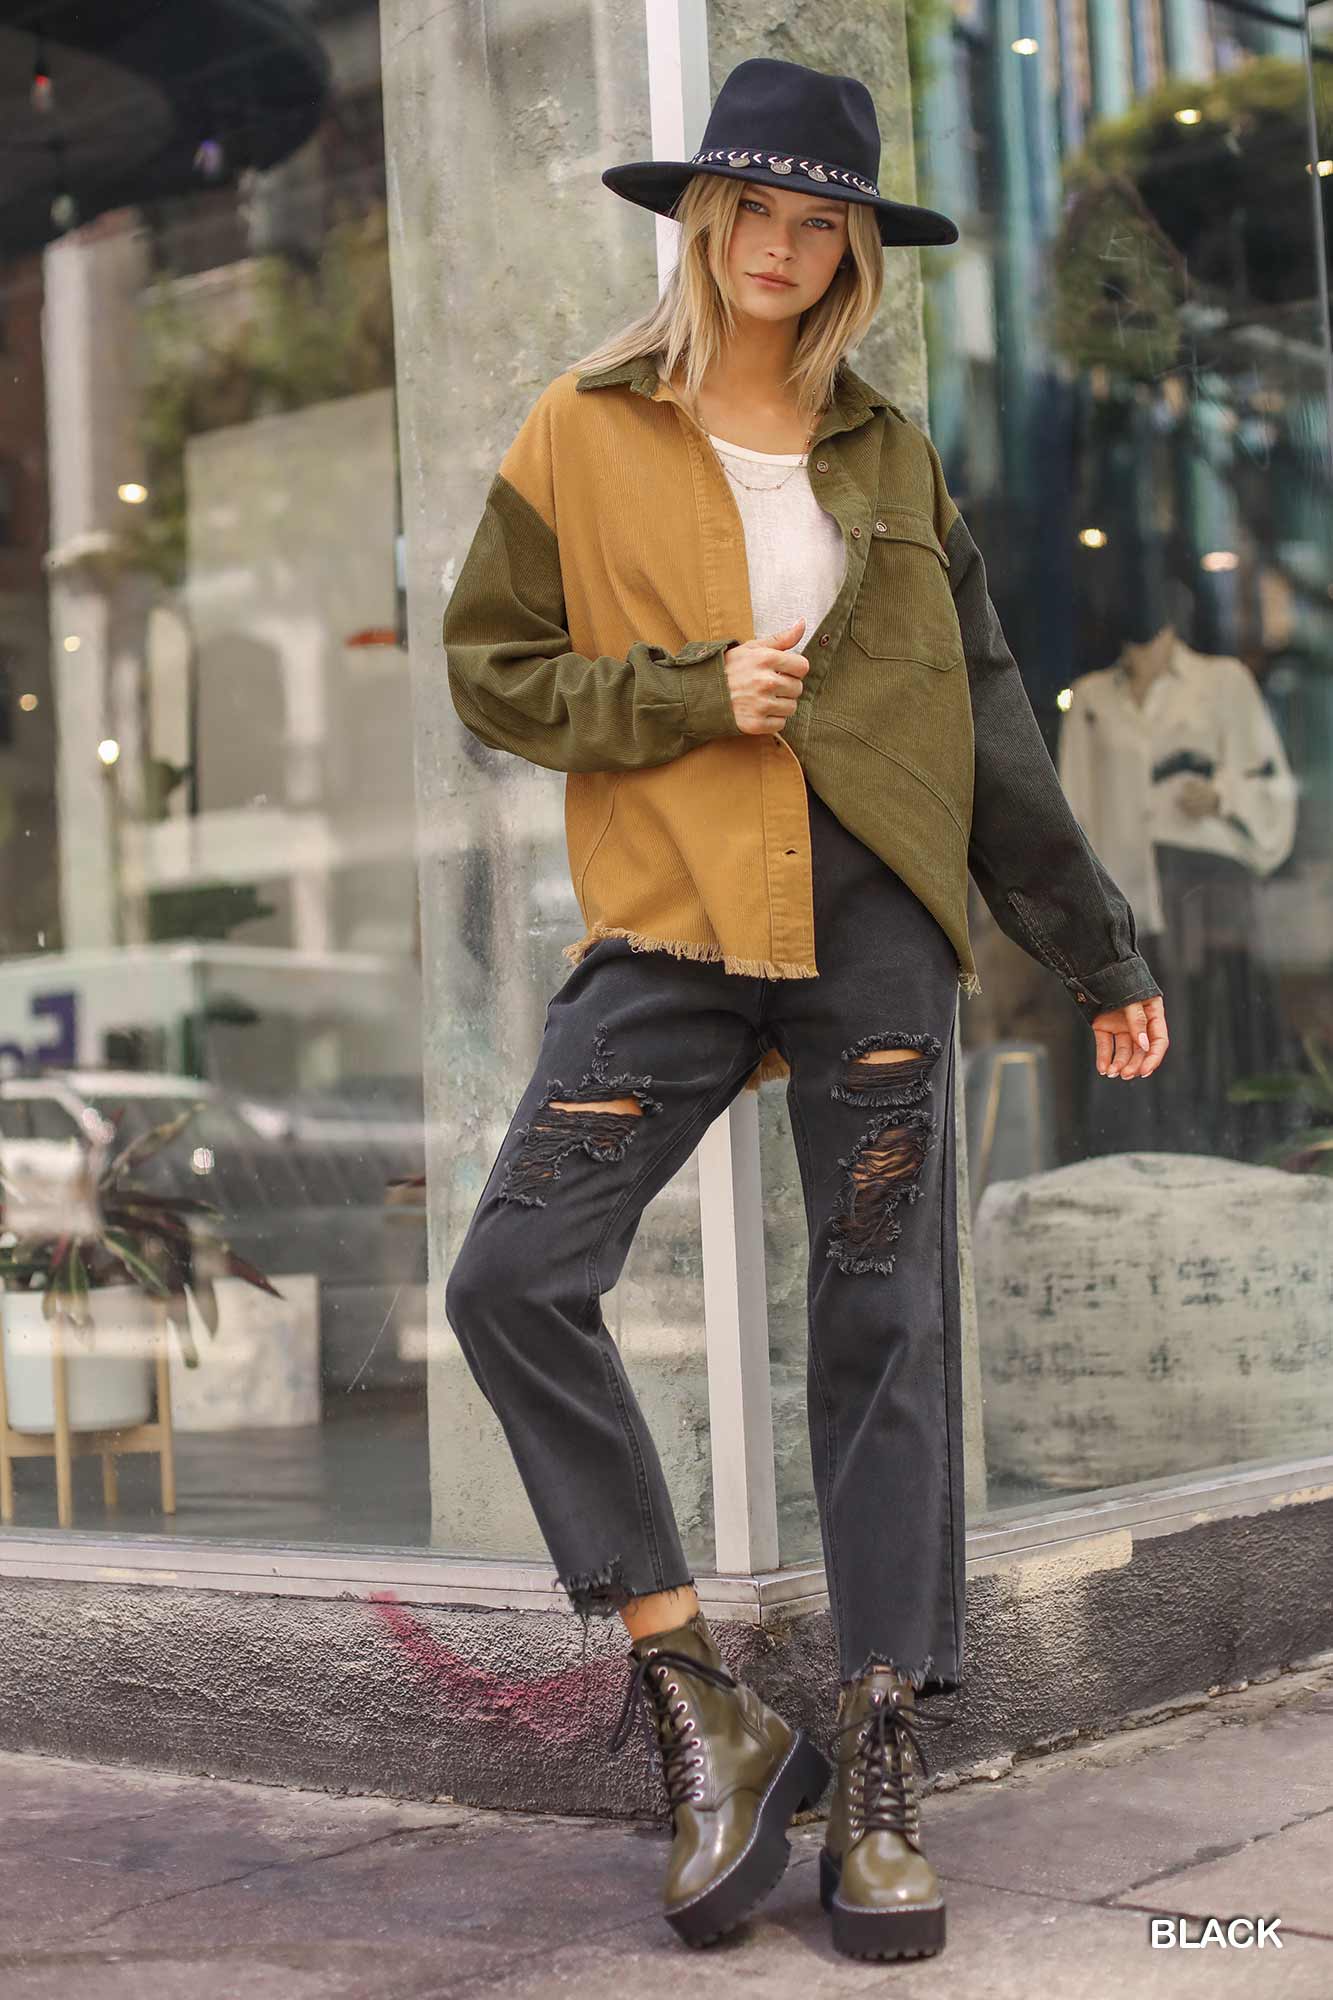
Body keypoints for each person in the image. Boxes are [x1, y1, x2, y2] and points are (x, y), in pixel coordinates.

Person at [441, 56, 1170, 1963]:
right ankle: (699, 1696)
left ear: (851, 246)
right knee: (511, 1280)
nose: (777, 244)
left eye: (814, 218)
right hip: (674, 917)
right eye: (748, 210)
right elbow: (495, 678)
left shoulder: (890, 455)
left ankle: (870, 1765)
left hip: (871, 929)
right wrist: (688, 695)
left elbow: (988, 710)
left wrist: (1090, 949)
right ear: (702, 223)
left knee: (883, 1321)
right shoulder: (576, 431)